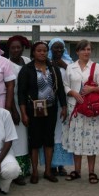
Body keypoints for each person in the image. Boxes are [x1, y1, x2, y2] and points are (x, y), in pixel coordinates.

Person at [18, 41, 67, 184]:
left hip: (51, 109)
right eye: (39, 50)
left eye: (45, 50)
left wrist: (63, 106)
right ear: (33, 52)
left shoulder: (53, 68)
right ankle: (34, 172)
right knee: (34, 141)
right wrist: (23, 113)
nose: (42, 53)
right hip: (33, 110)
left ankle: (47, 171)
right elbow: (21, 93)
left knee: (49, 140)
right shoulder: (27, 69)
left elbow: (61, 90)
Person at [63, 40, 99, 184]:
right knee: (76, 140)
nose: (86, 52)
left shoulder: (96, 67)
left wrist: (93, 89)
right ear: (77, 51)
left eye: (89, 49)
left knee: (91, 139)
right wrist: (72, 92)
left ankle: (92, 172)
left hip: (91, 110)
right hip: (75, 108)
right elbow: (65, 85)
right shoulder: (70, 67)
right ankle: (77, 170)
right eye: (83, 49)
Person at [39, 38, 74, 176]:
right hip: (51, 105)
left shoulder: (70, 63)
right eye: (55, 48)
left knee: (63, 134)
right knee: (51, 133)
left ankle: (61, 165)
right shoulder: (45, 64)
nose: (58, 50)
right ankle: (51, 165)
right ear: (50, 49)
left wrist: (64, 65)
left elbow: (77, 79)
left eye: (61, 48)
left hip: (66, 105)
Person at [7, 35, 32, 185]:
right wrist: (13, 110)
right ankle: (16, 172)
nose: (16, 50)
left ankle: (26, 168)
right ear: (8, 49)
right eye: (12, 48)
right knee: (18, 138)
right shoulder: (6, 64)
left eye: (18, 47)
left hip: (29, 105)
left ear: (23, 48)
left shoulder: (28, 62)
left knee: (28, 138)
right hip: (14, 105)